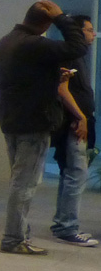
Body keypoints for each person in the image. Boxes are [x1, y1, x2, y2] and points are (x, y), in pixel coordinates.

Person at [0, 0, 88, 255]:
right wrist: (61, 18)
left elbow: (25, 79)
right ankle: (13, 238)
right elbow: (78, 47)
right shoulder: (34, 44)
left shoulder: (7, 41)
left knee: (18, 180)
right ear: (46, 23)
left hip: (12, 119)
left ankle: (19, 234)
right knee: (24, 185)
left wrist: (54, 77)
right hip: (33, 122)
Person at [51, 14, 97, 245]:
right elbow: (62, 89)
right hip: (74, 124)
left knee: (72, 173)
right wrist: (80, 116)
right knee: (76, 172)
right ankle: (67, 226)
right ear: (77, 32)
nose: (93, 34)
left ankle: (63, 223)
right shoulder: (69, 55)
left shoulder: (80, 57)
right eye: (89, 30)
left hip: (81, 120)